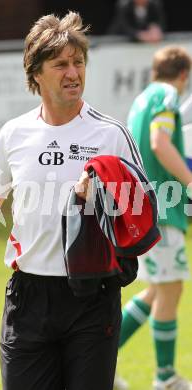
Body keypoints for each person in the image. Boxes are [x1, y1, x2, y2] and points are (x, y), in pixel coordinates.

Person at [0, 11, 146, 390]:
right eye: (60, 65)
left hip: (93, 296)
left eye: (78, 62)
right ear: (36, 73)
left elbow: (142, 212)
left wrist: (104, 195)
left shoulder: (111, 134)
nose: (73, 73)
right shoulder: (15, 134)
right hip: (29, 298)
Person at [114, 46, 192, 390]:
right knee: (170, 289)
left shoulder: (142, 98)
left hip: (142, 206)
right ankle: (165, 378)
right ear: (184, 75)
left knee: (156, 292)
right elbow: (160, 143)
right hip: (161, 207)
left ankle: (96, 361)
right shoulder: (168, 96)